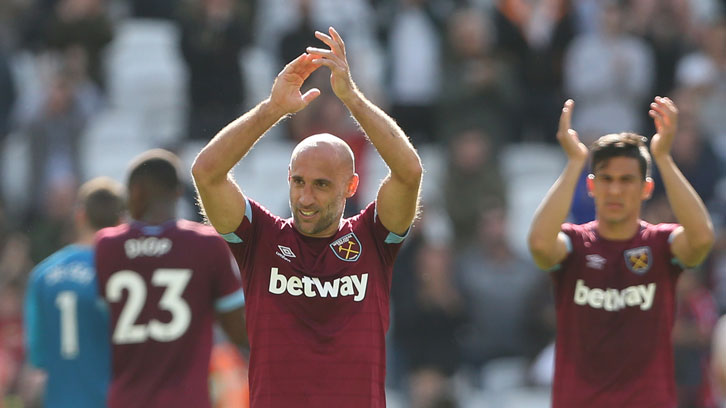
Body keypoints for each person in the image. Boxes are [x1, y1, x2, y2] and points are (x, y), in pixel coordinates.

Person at [191, 27, 423, 407]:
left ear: (350, 187)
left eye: (320, 185)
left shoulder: (373, 239)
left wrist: (351, 98)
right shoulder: (260, 240)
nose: (305, 197)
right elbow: (206, 172)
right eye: (298, 182)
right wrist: (273, 109)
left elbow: (409, 172)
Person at [527, 96, 714, 407]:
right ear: (592, 185)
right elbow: (539, 246)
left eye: (627, 180)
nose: (615, 190)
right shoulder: (574, 244)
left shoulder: (660, 244)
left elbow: (701, 240)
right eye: (606, 179)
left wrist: (663, 158)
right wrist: (575, 162)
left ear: (646, 188)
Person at [94, 149, 247, 408]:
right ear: (177, 193)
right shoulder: (206, 244)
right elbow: (238, 331)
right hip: (186, 400)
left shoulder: (107, 245)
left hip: (126, 400)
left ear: (136, 192)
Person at [24, 177, 125, 407]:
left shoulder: (42, 274)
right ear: (121, 221)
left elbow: (37, 357)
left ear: (80, 216)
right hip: (110, 399)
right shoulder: (120, 273)